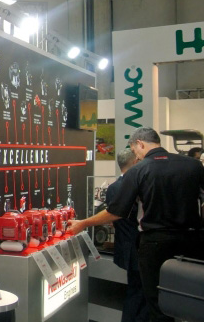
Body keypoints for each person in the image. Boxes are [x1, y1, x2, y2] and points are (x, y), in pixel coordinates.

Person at [67, 127, 204, 322]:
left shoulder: (139, 170)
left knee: (156, 302)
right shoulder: (193, 165)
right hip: (192, 242)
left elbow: (116, 211)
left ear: (140, 144)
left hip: (155, 244)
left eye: (134, 150)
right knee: (192, 297)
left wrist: (83, 223)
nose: (136, 156)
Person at [106, 148, 147, 321]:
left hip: (125, 247)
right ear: (136, 162)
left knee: (135, 291)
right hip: (139, 248)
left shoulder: (112, 188)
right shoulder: (137, 187)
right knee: (139, 294)